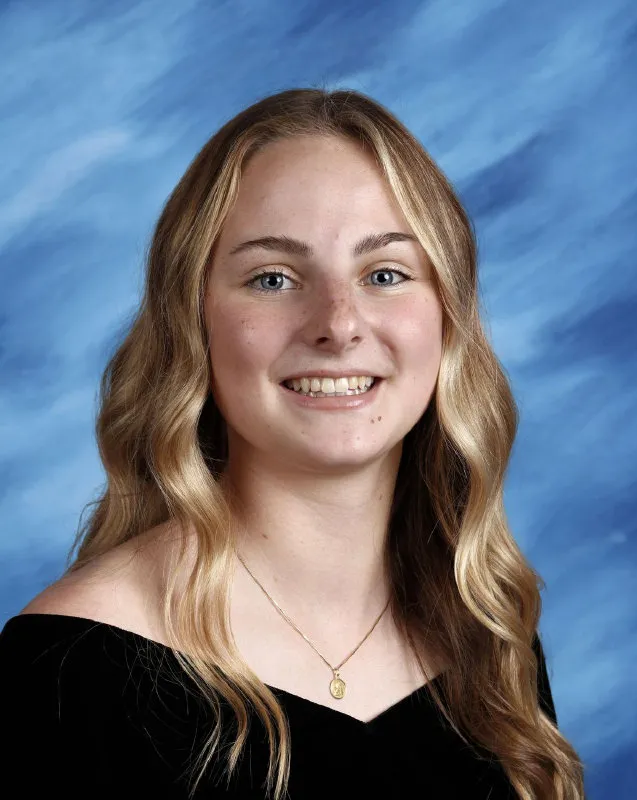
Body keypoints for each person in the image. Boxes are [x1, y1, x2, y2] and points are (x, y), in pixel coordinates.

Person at [0, 87, 586, 799]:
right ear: (194, 321)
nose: (338, 325)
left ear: (448, 318)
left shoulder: (491, 639)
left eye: (385, 274)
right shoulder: (70, 669)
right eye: (273, 278)